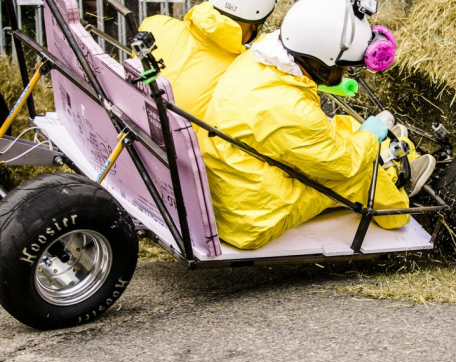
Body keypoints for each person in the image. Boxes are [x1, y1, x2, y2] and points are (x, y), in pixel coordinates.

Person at [198, 0, 436, 249]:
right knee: (358, 173)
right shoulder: (291, 109)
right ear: (321, 61)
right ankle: (398, 198)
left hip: (239, 180)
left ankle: (389, 154)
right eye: (341, 67)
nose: (343, 74)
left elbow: (307, 129)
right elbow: (343, 164)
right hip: (253, 214)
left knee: (338, 127)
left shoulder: (262, 54)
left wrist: (365, 133)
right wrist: (371, 135)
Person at [138, 0, 277, 119]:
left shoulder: (154, 25)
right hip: (178, 148)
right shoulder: (245, 75)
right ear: (254, 26)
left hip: (127, 136)